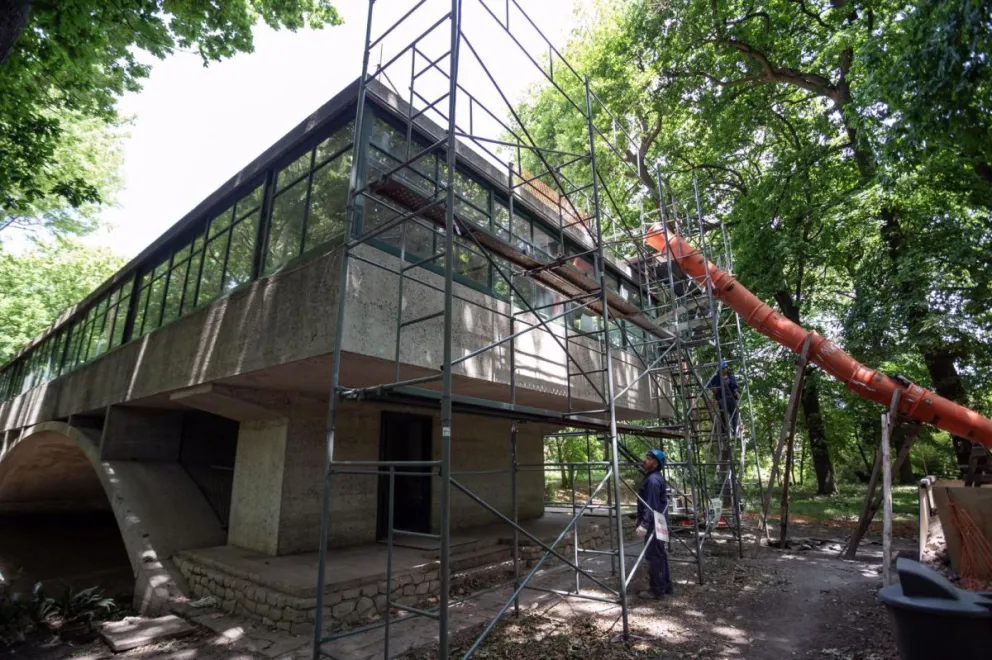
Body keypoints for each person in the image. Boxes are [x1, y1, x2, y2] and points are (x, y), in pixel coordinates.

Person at [635, 448, 673, 599]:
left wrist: (644, 524)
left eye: (648, 458)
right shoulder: (654, 478)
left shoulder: (652, 481)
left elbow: (650, 505)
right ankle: (666, 585)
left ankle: (657, 590)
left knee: (654, 556)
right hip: (659, 520)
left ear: (655, 463)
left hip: (654, 522)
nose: (644, 460)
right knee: (660, 554)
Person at [707, 359, 740, 438]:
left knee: (734, 415)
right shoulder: (716, 378)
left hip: (732, 399)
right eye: (722, 369)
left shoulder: (731, 377)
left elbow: (736, 387)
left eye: (725, 368)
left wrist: (736, 391)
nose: (724, 370)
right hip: (722, 399)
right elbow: (708, 385)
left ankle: (735, 432)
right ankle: (725, 433)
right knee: (723, 415)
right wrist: (713, 388)